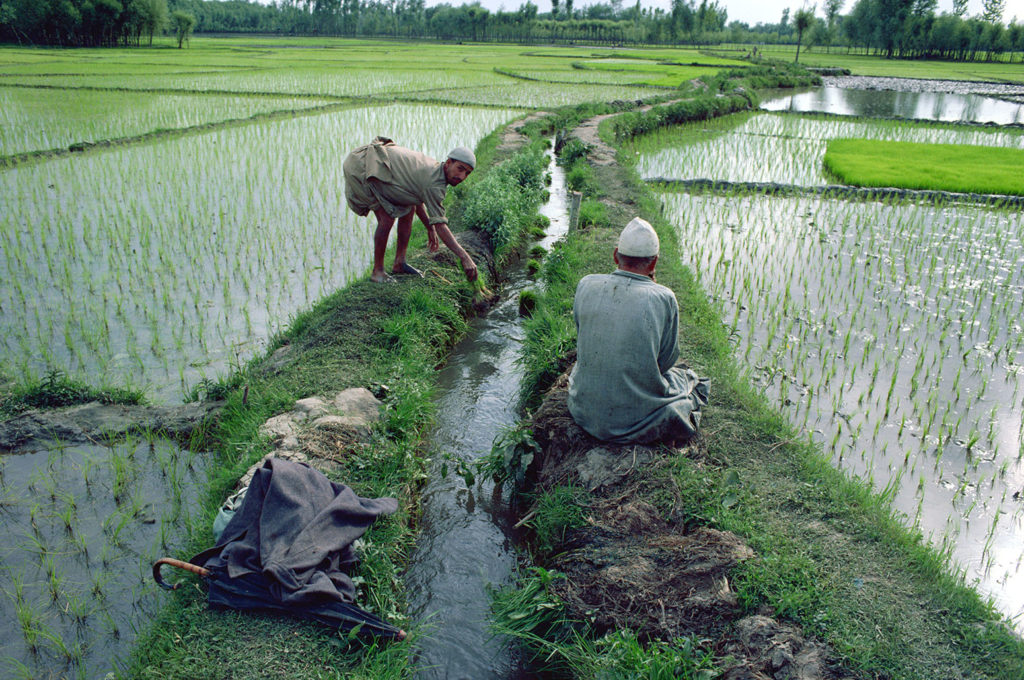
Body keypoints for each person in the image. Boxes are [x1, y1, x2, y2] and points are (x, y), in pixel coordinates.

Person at [567, 217, 709, 445]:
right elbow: (665, 362)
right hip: (630, 420)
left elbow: (581, 335)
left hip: (582, 412)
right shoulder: (664, 297)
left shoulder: (586, 284)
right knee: (685, 385)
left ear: (615, 256)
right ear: (654, 263)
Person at [343, 136, 479, 283]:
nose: (462, 176)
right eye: (460, 169)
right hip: (363, 165)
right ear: (448, 163)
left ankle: (399, 263)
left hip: (378, 163)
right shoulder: (433, 183)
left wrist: (429, 227)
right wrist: (465, 258)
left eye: (467, 173)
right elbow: (440, 225)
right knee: (386, 218)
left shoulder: (435, 171)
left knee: (408, 209)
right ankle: (378, 272)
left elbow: (416, 200)